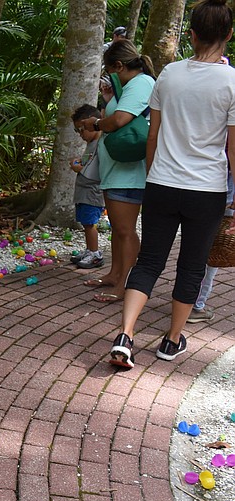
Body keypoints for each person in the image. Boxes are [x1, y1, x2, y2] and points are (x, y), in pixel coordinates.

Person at [108, 0, 235, 369]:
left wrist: (154, 174)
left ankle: (125, 335)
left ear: (191, 35)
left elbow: (153, 136)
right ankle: (172, 340)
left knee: (150, 260)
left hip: (162, 183)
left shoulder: (169, 74)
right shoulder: (232, 82)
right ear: (229, 35)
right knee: (192, 266)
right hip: (207, 189)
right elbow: (232, 149)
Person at [80, 40, 157, 302]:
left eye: (110, 70)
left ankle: (125, 284)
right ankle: (114, 274)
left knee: (125, 230)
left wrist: (96, 123)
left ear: (119, 66)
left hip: (129, 173)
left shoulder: (141, 83)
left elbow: (120, 120)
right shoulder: (128, 87)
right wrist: (108, 101)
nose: (110, 76)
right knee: (118, 228)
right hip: (116, 170)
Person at [188, 170, 235, 322]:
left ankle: (185, 299)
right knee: (213, 256)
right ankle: (195, 305)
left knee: (193, 251)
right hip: (223, 199)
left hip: (198, 192)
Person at [70, 104, 106, 269]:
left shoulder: (100, 143)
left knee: (90, 224)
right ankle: (90, 250)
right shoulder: (91, 143)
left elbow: (94, 169)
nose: (81, 134)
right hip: (84, 191)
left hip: (92, 192)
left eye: (82, 129)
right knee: (86, 223)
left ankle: (95, 254)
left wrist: (78, 167)